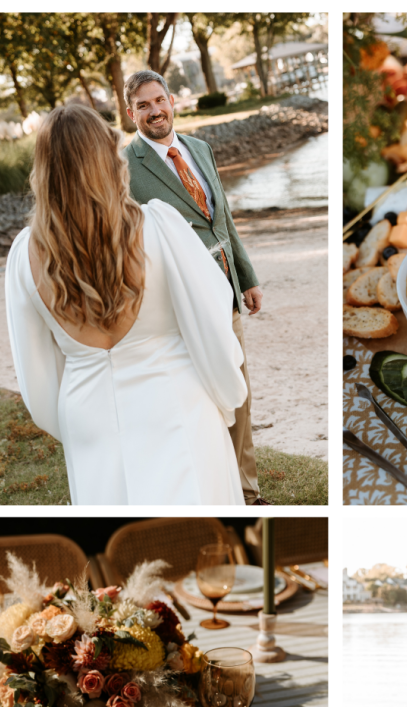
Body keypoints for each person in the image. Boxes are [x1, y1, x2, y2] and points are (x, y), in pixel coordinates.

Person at [5, 104, 247, 505]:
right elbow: (213, 322)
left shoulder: (24, 256)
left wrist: (73, 417)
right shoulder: (160, 226)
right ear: (109, 157)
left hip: (87, 416)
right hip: (176, 403)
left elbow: (36, 377)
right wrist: (227, 397)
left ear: (43, 169)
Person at [123, 70, 269, 506]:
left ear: (172, 101)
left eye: (159, 100)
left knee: (238, 392)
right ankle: (211, 490)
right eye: (143, 106)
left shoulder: (200, 149)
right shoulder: (124, 166)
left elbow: (223, 219)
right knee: (199, 400)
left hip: (225, 291)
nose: (154, 111)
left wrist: (247, 276)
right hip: (178, 301)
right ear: (130, 114)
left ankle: (247, 493)